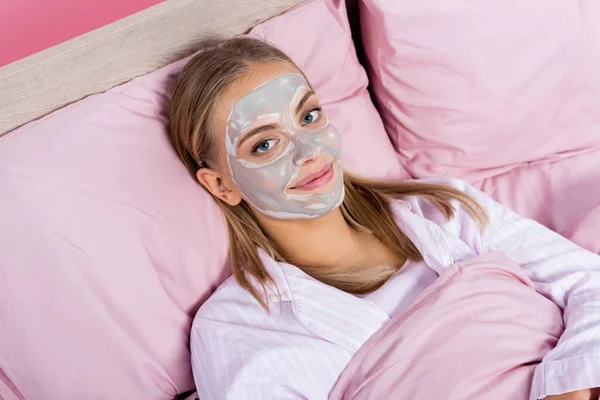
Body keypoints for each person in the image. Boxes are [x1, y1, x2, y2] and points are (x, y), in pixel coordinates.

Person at [168, 37, 600, 399]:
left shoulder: (444, 209)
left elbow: (590, 284)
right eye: (264, 145)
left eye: (309, 116)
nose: (309, 151)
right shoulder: (237, 325)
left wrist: (568, 385)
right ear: (221, 185)